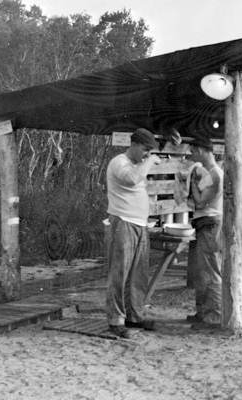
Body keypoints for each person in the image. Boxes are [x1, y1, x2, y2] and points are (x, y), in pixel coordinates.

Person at [105, 128, 161, 338]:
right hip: (122, 222)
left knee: (138, 274)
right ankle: (116, 320)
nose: (147, 154)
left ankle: (134, 316)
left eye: (149, 151)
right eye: (145, 150)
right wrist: (149, 161)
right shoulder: (119, 162)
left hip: (140, 224)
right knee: (119, 273)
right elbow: (131, 180)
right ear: (135, 145)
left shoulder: (139, 164)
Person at [186, 136, 224, 330]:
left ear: (201, 150)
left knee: (211, 271)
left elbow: (200, 202)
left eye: (192, 150)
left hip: (210, 225)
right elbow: (196, 199)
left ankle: (215, 316)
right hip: (204, 224)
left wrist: (192, 182)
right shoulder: (208, 173)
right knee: (202, 272)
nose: (191, 154)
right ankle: (202, 313)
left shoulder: (215, 173)